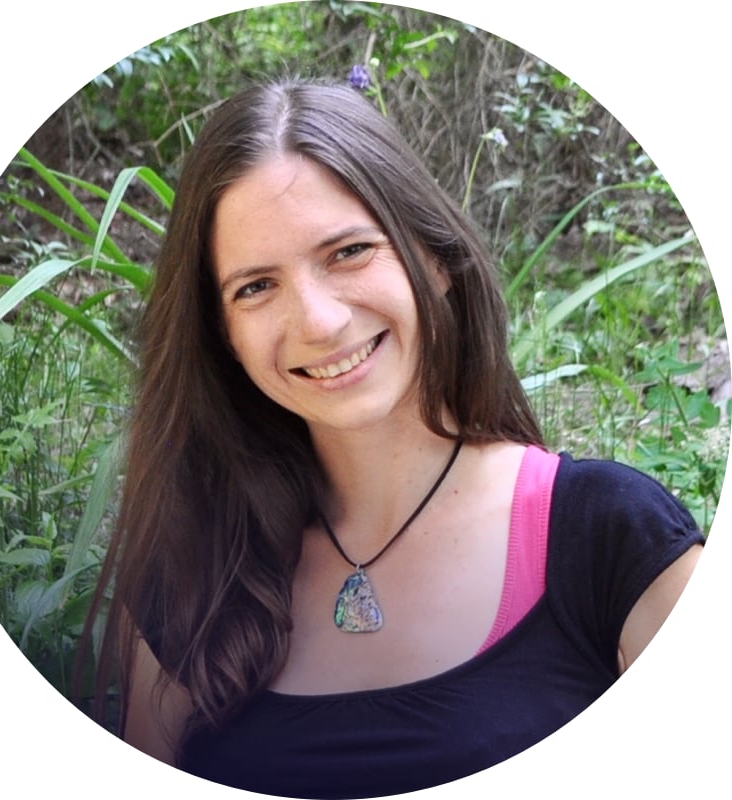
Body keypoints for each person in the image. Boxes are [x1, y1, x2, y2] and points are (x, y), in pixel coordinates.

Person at [88, 78, 704, 798]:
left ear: (434, 260)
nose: (319, 321)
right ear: (222, 334)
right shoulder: (190, 571)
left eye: (348, 251)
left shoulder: (614, 541)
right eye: (256, 287)